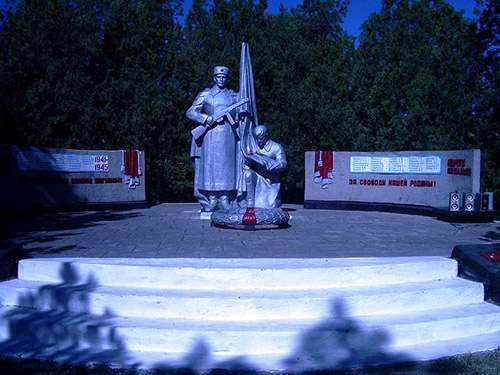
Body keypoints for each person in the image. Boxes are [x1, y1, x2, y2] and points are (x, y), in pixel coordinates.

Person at [187, 66, 239, 212]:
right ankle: (212, 199)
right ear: (214, 78)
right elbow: (191, 112)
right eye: (219, 77)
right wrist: (205, 118)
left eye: (224, 77)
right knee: (210, 167)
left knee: (227, 167)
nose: (221, 80)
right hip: (210, 134)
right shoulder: (206, 94)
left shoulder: (233, 95)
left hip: (228, 136)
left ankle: (225, 199)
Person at [242, 125, 287, 209]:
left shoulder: (276, 147)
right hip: (256, 177)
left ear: (266, 135)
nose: (258, 141)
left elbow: (283, 164)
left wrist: (269, 164)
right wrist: (248, 161)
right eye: (256, 138)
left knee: (270, 206)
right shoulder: (253, 147)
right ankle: (250, 203)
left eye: (261, 138)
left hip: (270, 180)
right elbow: (246, 166)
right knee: (247, 174)